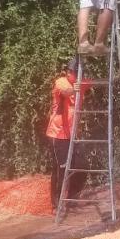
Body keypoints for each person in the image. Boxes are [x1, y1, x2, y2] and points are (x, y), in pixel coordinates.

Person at [46, 57, 93, 213]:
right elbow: (67, 91)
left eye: (81, 73)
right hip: (57, 134)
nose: (79, 75)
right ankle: (56, 205)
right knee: (61, 169)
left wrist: (118, 75)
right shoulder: (61, 82)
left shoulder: (80, 83)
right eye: (76, 72)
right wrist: (77, 88)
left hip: (72, 135)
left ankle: (71, 198)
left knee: (81, 166)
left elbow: (95, 82)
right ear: (69, 72)